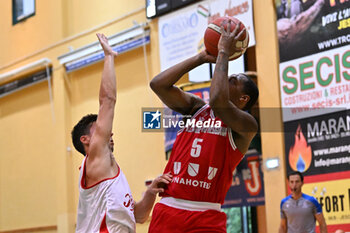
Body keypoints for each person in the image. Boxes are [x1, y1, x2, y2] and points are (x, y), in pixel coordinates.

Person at [148, 20, 259, 232]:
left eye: (234, 80)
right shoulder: (197, 108)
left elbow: (218, 100)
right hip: (171, 206)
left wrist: (224, 53)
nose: (228, 77)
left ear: (243, 98)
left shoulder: (247, 125)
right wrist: (200, 58)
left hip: (207, 214)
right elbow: (158, 84)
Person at [71, 33, 172, 233]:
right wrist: (109, 56)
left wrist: (150, 193)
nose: (109, 132)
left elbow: (139, 216)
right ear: (86, 140)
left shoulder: (111, 174)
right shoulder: (95, 160)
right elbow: (107, 99)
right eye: (98, 127)